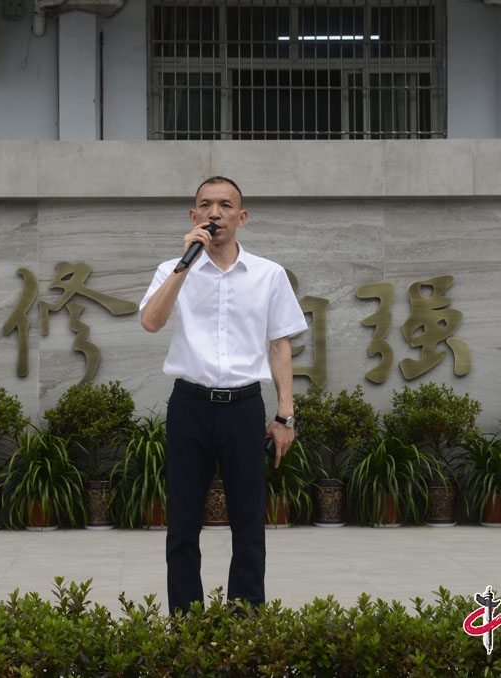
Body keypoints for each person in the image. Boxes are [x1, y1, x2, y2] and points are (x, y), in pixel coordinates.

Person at [139, 176, 308, 615]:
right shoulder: (172, 269)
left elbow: (279, 345)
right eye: (206, 205)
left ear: (242, 217)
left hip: (244, 408)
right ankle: (187, 625)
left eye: (225, 205)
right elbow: (151, 322)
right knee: (182, 525)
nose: (215, 213)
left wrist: (284, 415)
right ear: (193, 217)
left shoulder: (269, 275)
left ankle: (244, 623)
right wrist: (183, 265)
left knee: (249, 524)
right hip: (189, 407)